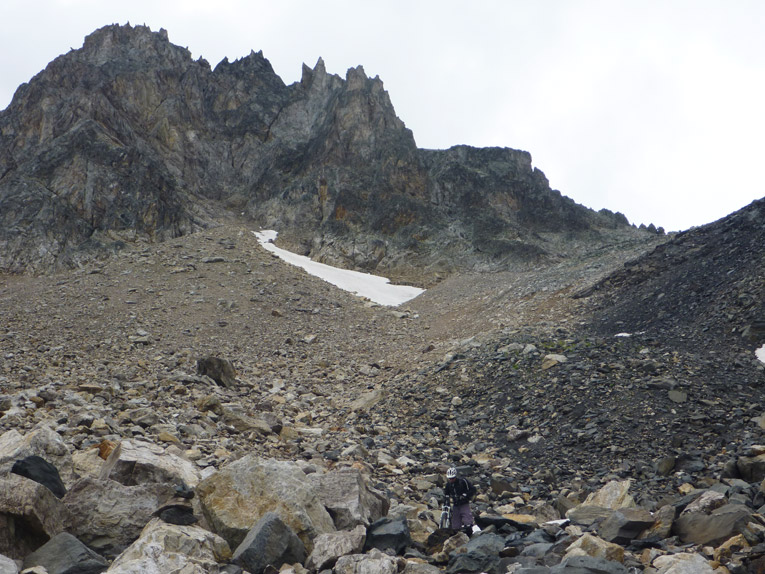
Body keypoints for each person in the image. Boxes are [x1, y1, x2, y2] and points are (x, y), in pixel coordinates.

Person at [443, 466, 476, 534]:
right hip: (455, 505)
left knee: (468, 522)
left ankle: (469, 534)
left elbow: (473, 489)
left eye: (453, 478)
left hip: (464, 503)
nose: (451, 480)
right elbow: (446, 493)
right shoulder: (448, 485)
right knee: (455, 526)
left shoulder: (463, 481)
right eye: (450, 479)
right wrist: (446, 500)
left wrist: (465, 495)